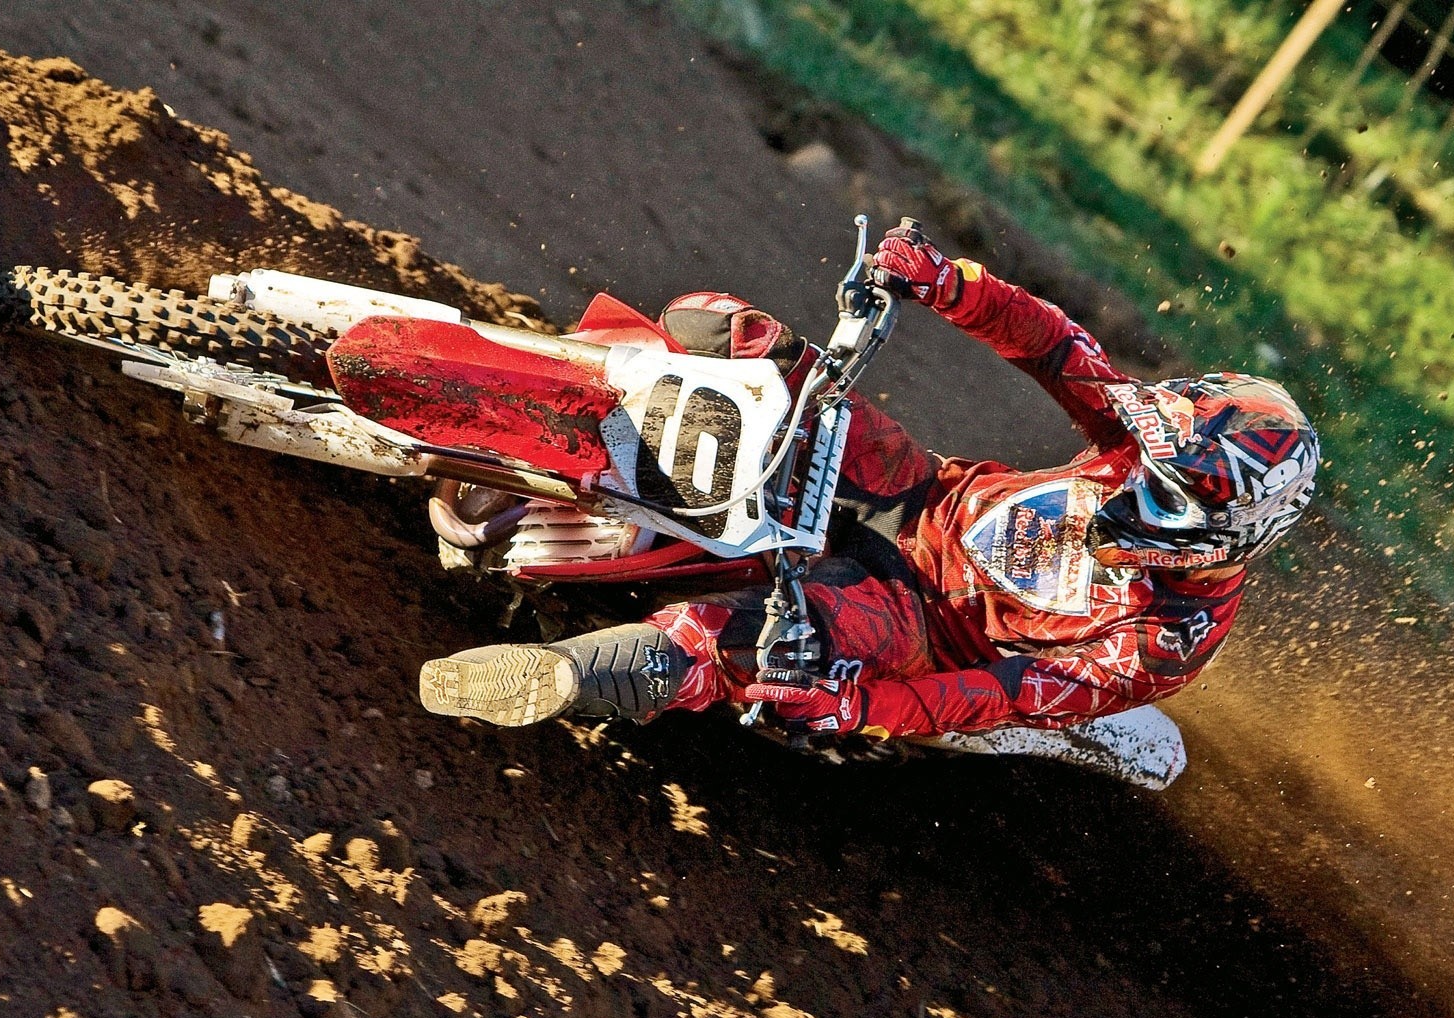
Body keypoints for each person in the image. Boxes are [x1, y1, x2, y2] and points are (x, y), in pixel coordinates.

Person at [418, 227, 1318, 740]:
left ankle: (562, 675)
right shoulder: (1139, 440)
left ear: (1223, 534)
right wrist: (947, 282)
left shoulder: (1165, 643)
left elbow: (995, 695)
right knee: (723, 333)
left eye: (1161, 492)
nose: (1130, 485)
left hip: (918, 620)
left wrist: (858, 706)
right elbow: (1053, 345)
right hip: (916, 492)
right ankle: (527, 393)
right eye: (1147, 457)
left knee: (752, 648)